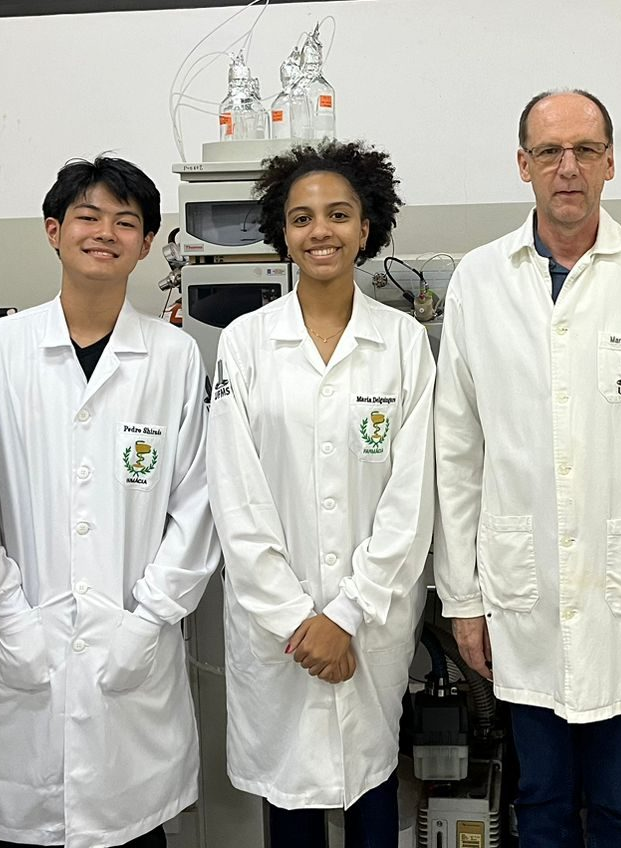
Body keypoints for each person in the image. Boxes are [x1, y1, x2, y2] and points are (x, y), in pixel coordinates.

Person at [434, 89, 621, 847]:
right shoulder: (480, 280)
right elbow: (457, 450)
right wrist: (462, 599)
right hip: (523, 590)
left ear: (610, 163)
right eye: (550, 152)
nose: (568, 168)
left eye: (585, 150)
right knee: (542, 799)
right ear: (523, 164)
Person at [0, 157, 217, 848]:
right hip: (26, 643)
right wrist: (8, 612)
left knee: (133, 832)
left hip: (134, 652)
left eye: (125, 222)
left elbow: (198, 505)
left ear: (147, 243)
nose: (105, 233)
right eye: (88, 217)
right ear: (54, 230)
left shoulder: (173, 356)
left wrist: (148, 619)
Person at [207, 140, 433, 847]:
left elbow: (411, 498)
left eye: (338, 214)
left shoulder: (403, 343)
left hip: (370, 620)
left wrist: (348, 613)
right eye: (302, 218)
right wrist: (298, 618)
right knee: (292, 803)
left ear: (367, 228)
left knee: (372, 786)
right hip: (281, 629)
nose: (320, 231)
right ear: (283, 233)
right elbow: (235, 495)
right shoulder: (245, 343)